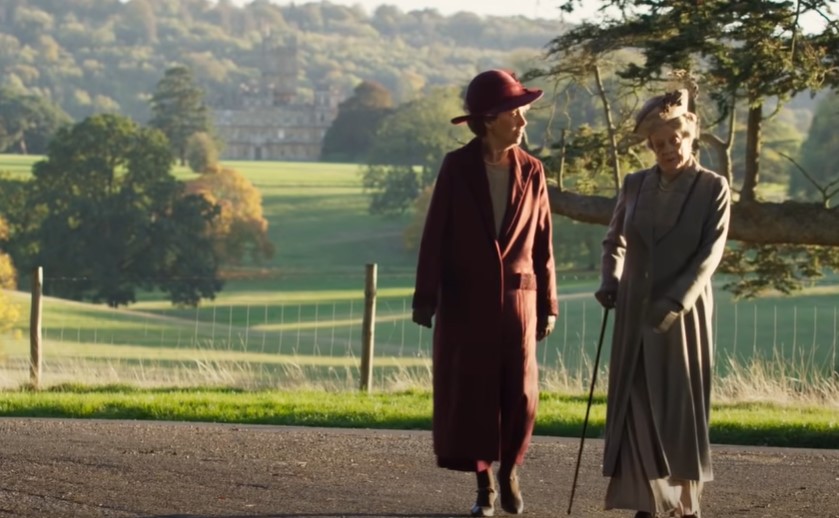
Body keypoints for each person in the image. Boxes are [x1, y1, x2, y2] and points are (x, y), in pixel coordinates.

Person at [411, 69, 558, 517]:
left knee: (520, 395)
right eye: (516, 113)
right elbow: (435, 233)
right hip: (466, 303)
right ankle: (484, 487)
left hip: (519, 302)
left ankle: (510, 468)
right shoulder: (457, 168)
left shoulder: (533, 170)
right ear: (491, 118)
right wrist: (426, 297)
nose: (523, 122)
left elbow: (543, 242)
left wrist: (549, 303)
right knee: (472, 395)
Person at [594, 89, 731, 518]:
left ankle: (684, 504)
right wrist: (609, 278)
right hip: (634, 308)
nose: (668, 149)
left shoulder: (714, 187)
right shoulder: (634, 184)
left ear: (690, 136)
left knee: (677, 407)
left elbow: (710, 255)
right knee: (635, 403)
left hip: (683, 315)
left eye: (675, 140)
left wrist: (676, 302)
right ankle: (651, 502)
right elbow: (614, 239)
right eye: (658, 144)